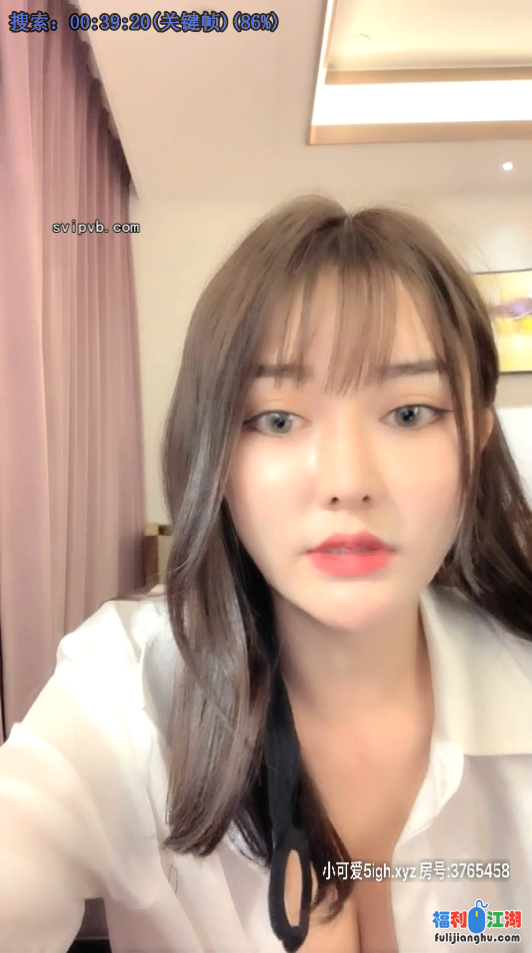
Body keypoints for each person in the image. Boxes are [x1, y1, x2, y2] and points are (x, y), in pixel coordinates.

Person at [1, 196, 531, 953]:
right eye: (278, 419)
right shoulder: (125, 689)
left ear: (477, 433)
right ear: (215, 453)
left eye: (411, 413)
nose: (347, 482)